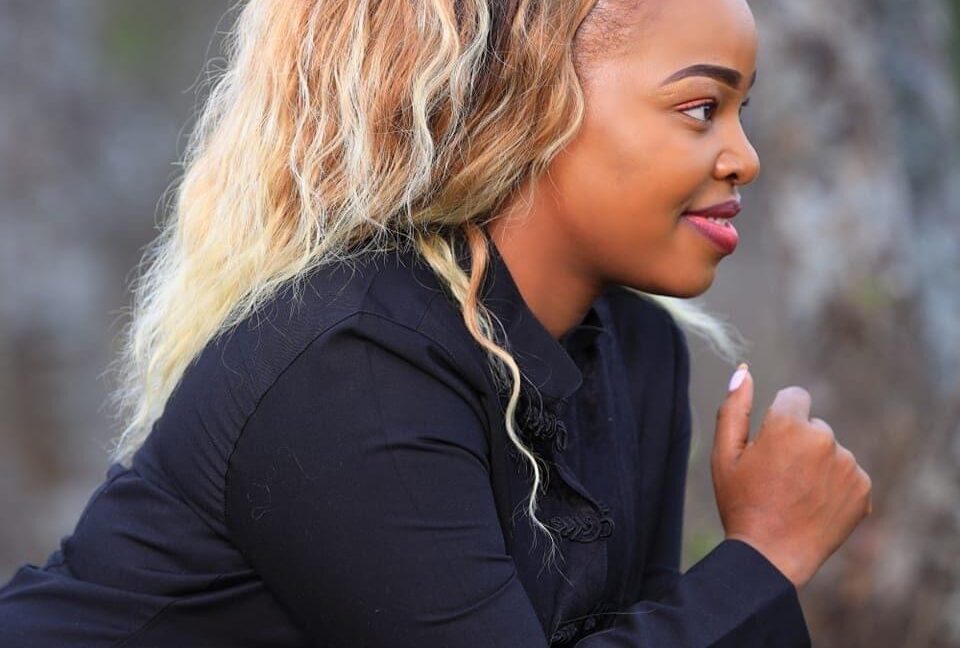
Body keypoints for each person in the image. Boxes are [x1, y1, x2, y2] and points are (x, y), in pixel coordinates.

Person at [0, 0, 873, 646]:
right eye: (700, 108)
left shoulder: (636, 352)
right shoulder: (353, 363)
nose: (745, 158)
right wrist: (762, 558)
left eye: (742, 111)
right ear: (530, 96)